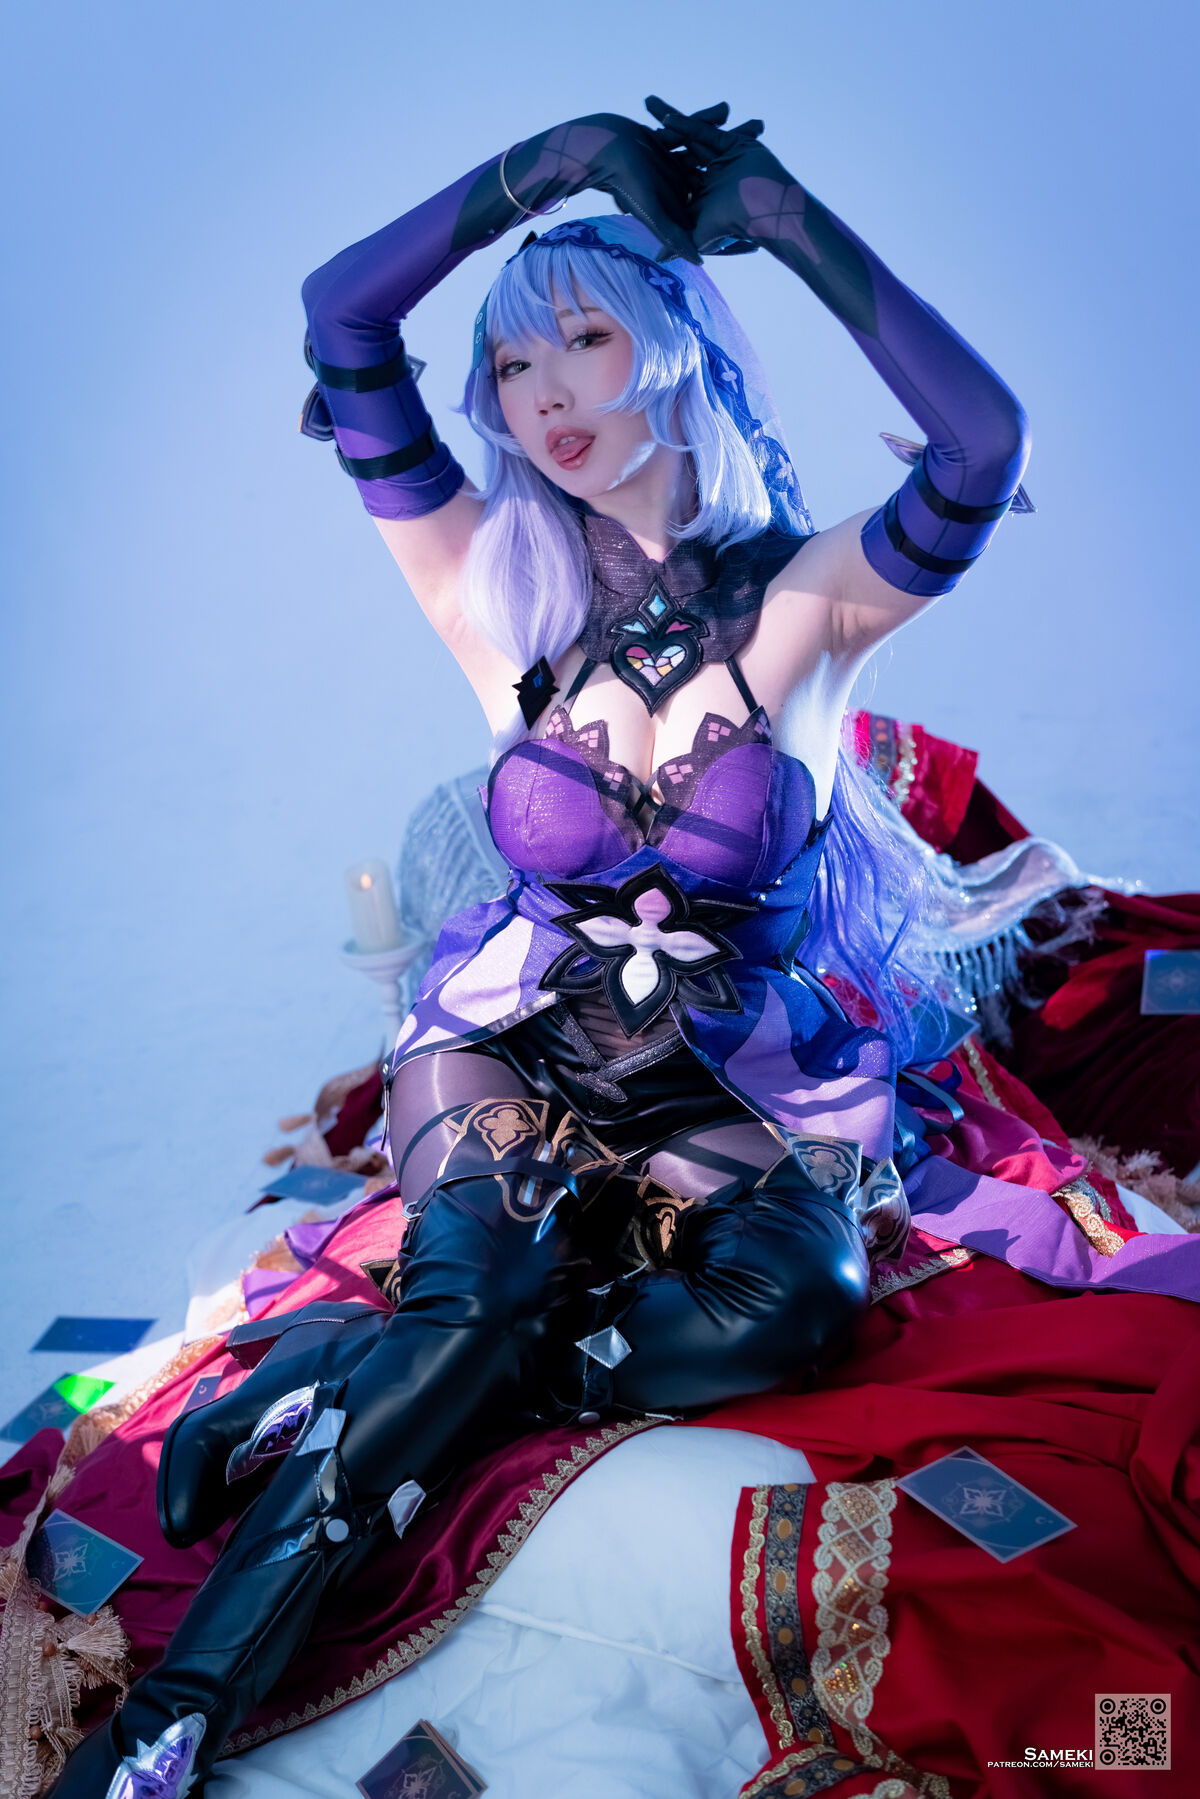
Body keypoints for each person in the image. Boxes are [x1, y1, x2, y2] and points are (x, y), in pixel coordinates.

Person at [52, 97, 1035, 1797]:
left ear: (683, 349)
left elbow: (981, 444)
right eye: (512, 364)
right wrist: (550, 164)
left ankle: (346, 1365)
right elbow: (343, 315)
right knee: (485, 1288)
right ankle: (165, 1732)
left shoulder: (807, 603)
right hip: (503, 1048)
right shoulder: (498, 594)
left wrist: (787, 222)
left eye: (586, 340)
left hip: (714, 1078)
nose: (545, 395)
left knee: (794, 1305)